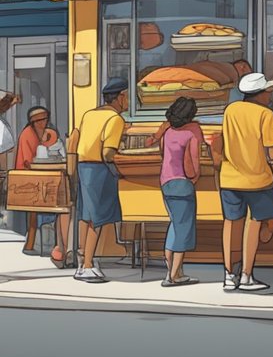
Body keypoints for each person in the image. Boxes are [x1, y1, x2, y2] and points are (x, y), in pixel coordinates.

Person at [212, 72, 273, 292]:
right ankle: (246, 276)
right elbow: (272, 152)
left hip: (229, 177)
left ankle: (228, 275)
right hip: (257, 179)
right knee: (254, 225)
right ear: (260, 94)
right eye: (268, 92)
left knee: (230, 224)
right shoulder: (266, 115)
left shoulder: (231, 110)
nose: (270, 96)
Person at [67, 79, 130, 283]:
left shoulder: (89, 114)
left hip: (83, 168)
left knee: (85, 217)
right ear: (120, 97)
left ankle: (82, 261)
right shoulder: (115, 119)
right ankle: (88, 265)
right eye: (127, 96)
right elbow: (108, 153)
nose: (129, 101)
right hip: (100, 170)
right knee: (98, 218)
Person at [143, 97, 204, 286]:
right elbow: (194, 162)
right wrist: (194, 179)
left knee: (175, 227)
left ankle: (174, 272)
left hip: (166, 182)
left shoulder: (167, 131)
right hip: (183, 184)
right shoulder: (193, 132)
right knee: (183, 229)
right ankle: (173, 276)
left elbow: (161, 151)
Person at [16, 106, 65, 258]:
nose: (44, 122)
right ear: (34, 122)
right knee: (33, 212)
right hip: (28, 178)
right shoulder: (27, 135)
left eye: (45, 119)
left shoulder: (46, 134)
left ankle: (42, 244)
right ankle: (31, 244)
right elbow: (26, 160)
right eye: (41, 120)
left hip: (40, 174)